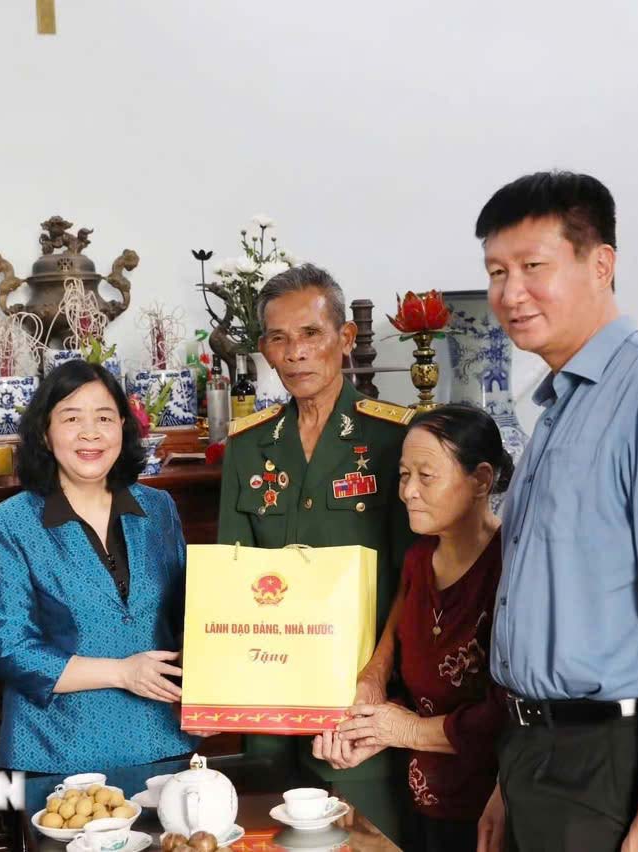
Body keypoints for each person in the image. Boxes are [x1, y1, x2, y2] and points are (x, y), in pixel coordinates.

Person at [471, 171, 638, 852]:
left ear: (601, 264)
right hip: (535, 752)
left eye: (534, 267)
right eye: (497, 271)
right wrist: (511, 773)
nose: (510, 294)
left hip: (608, 764)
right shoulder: (562, 404)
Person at [216, 263, 418, 842]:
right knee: (268, 832)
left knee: (363, 834)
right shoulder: (249, 445)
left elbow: (415, 577)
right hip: (268, 698)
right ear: (264, 350)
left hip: (357, 697)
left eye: (311, 334)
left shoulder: (394, 437)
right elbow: (233, 574)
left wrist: (374, 678)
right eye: (279, 339)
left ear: (345, 339)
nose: (296, 353)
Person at [0, 360, 196, 774]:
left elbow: (191, 618)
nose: (90, 433)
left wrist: (211, 698)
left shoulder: (158, 508)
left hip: (165, 739)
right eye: (71, 418)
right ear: (45, 432)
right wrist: (123, 672)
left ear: (123, 429)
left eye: (104, 418)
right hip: (58, 751)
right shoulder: (7, 524)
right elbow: (12, 651)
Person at [327, 404, 511, 852]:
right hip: (419, 804)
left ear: (481, 480)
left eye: (426, 476)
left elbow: (508, 715)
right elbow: (414, 689)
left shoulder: (510, 566)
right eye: (404, 475)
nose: (408, 491)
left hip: (494, 812)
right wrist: (368, 731)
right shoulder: (417, 561)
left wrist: (402, 730)